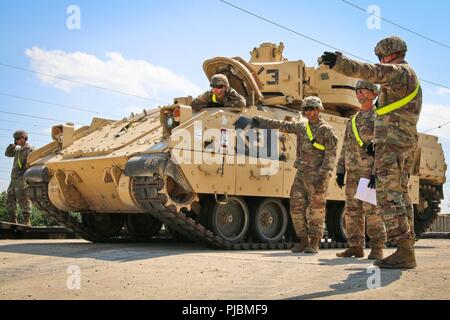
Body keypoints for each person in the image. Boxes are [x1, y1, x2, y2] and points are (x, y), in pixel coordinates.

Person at [320, 36, 421, 269]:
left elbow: (370, 71)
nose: (379, 60)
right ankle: (406, 248)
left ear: (387, 54)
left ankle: (404, 251)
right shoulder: (407, 76)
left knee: (388, 197)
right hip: (400, 142)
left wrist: (340, 63)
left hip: (393, 144)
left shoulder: (399, 72)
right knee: (400, 196)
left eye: (380, 56)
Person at [252, 96, 338, 254]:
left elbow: (331, 155)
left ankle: (314, 242)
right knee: (296, 207)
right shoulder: (302, 127)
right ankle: (303, 240)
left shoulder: (326, 130)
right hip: (301, 174)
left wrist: (324, 175)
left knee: (316, 210)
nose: (310, 112)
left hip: (318, 176)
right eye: (306, 109)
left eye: (313, 108)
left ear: (319, 109)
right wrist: (262, 121)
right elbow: (283, 125)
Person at [335, 81, 387, 260]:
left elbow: (382, 148)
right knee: (352, 211)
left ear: (374, 93)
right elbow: (345, 146)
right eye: (357, 91)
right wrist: (340, 170)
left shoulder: (379, 117)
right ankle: (355, 246)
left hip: (368, 173)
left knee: (372, 210)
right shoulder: (353, 119)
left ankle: (377, 247)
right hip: (352, 173)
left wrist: (376, 172)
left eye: (363, 91)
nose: (360, 94)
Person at [5, 130, 35, 226]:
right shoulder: (18, 149)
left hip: (22, 177)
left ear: (24, 137)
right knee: (10, 198)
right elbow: (8, 154)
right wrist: (12, 145)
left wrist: (25, 176)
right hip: (14, 178)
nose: (16, 140)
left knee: (23, 198)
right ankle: (13, 219)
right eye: (15, 139)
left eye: (18, 138)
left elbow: (31, 163)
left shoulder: (30, 149)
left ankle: (27, 219)